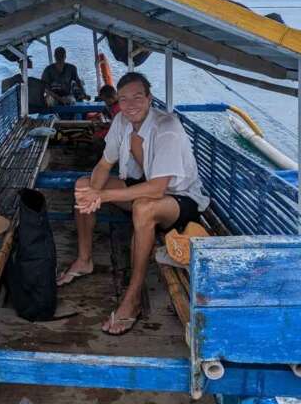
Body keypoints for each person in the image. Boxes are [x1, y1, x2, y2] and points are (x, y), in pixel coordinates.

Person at [56, 72, 210, 335]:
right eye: (123, 99)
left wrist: (102, 196)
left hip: (180, 200)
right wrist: (92, 191)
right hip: (143, 186)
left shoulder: (167, 127)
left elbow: (158, 188)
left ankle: (133, 298)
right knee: (83, 185)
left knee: (143, 207)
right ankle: (84, 260)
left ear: (149, 99)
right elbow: (105, 164)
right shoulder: (121, 121)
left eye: (137, 97)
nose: (130, 105)